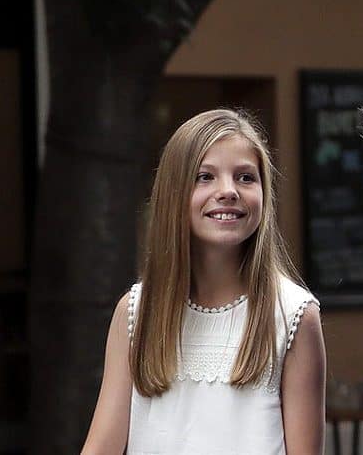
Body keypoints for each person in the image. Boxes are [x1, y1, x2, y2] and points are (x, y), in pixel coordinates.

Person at [81, 109, 326, 455]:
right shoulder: (137, 312)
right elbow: (100, 447)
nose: (228, 191)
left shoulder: (294, 315)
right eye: (205, 176)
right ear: (173, 193)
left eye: (245, 177)